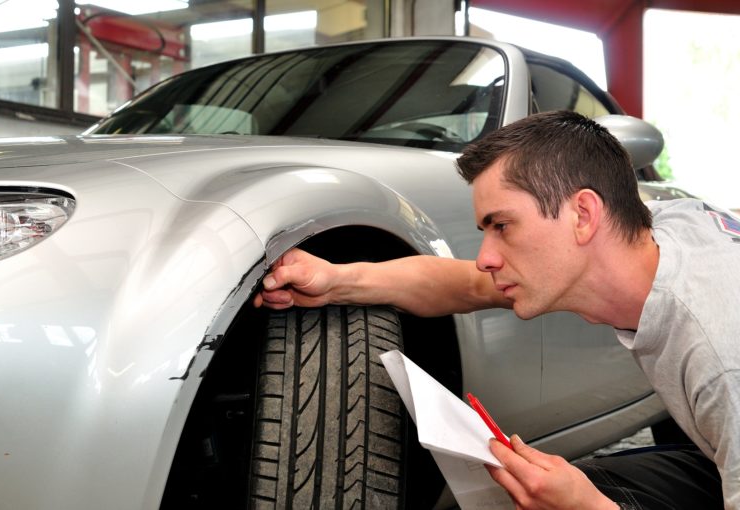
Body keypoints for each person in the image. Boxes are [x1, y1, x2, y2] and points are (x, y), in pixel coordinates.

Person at [253, 110, 737, 509]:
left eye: (502, 226)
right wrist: (337, 281)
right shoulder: (660, 231)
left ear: (583, 215)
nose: (485, 257)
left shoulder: (721, 359)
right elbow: (465, 284)